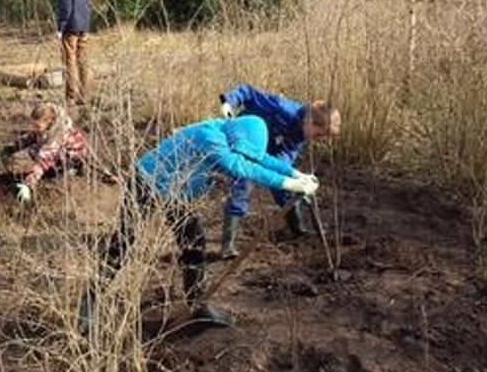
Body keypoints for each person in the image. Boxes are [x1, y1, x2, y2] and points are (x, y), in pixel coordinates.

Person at [82, 115, 322, 331]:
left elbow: (260, 159)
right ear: (238, 138)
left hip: (178, 191)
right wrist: (288, 185)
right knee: (125, 242)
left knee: (194, 240)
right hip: (148, 181)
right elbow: (240, 166)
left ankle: (197, 305)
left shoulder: (233, 137)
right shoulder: (211, 136)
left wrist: (295, 174)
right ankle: (89, 303)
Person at [217, 85, 342, 255]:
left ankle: (298, 229)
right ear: (309, 122)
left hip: (272, 146)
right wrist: (229, 102)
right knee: (243, 184)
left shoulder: (301, 133)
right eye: (319, 135)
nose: (320, 140)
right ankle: (227, 245)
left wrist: (295, 182)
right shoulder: (280, 108)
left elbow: (286, 154)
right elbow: (248, 93)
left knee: (284, 185)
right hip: (249, 139)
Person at [1, 101, 90, 204]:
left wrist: (28, 184)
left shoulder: (56, 137)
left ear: (49, 122)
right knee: (34, 149)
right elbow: (31, 137)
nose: (34, 128)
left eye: (37, 126)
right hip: (58, 150)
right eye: (33, 125)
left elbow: (43, 162)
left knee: (41, 154)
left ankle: (71, 169)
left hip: (74, 155)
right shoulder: (45, 129)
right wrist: (13, 147)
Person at [56, 0, 94, 106]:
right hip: (84, 25)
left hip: (71, 26)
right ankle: (85, 95)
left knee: (69, 60)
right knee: (83, 59)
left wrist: (60, 27)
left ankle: (71, 96)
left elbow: (66, 6)